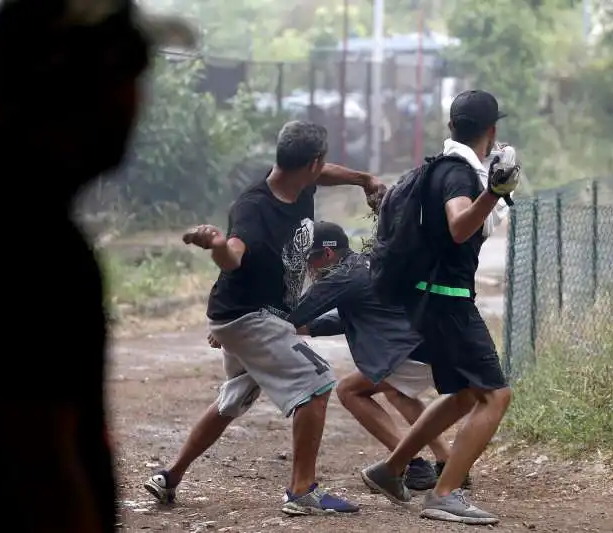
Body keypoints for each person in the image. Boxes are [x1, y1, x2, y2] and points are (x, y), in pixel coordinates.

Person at [0, 2, 196, 532]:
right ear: (69, 81)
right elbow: (39, 464)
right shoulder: (22, 238)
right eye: (125, 77)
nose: (134, 104)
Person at [143, 121, 386, 516]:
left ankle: (169, 477)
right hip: (250, 316)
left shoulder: (302, 181)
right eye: (319, 165)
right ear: (311, 162)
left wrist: (364, 179)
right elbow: (234, 255)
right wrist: (219, 246)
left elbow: (325, 174)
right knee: (318, 381)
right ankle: (302, 490)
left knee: (234, 398)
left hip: (242, 317)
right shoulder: (253, 207)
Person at [359, 90, 519, 525]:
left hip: (429, 298)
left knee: (467, 394)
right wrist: (494, 191)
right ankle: (444, 492)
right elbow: (459, 225)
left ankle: (390, 469)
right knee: (495, 396)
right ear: (492, 131)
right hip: (447, 301)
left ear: (451, 126)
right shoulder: (459, 175)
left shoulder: (441, 167)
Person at [281, 220, 471, 491]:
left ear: (327, 254)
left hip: (413, 349)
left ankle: (411, 463)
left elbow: (293, 313)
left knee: (349, 391)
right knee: (396, 391)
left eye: (311, 261)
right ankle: (448, 462)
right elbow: (355, 317)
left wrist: (247, 322)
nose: (309, 269)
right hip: (434, 342)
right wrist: (308, 328)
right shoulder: (366, 264)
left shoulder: (342, 277)